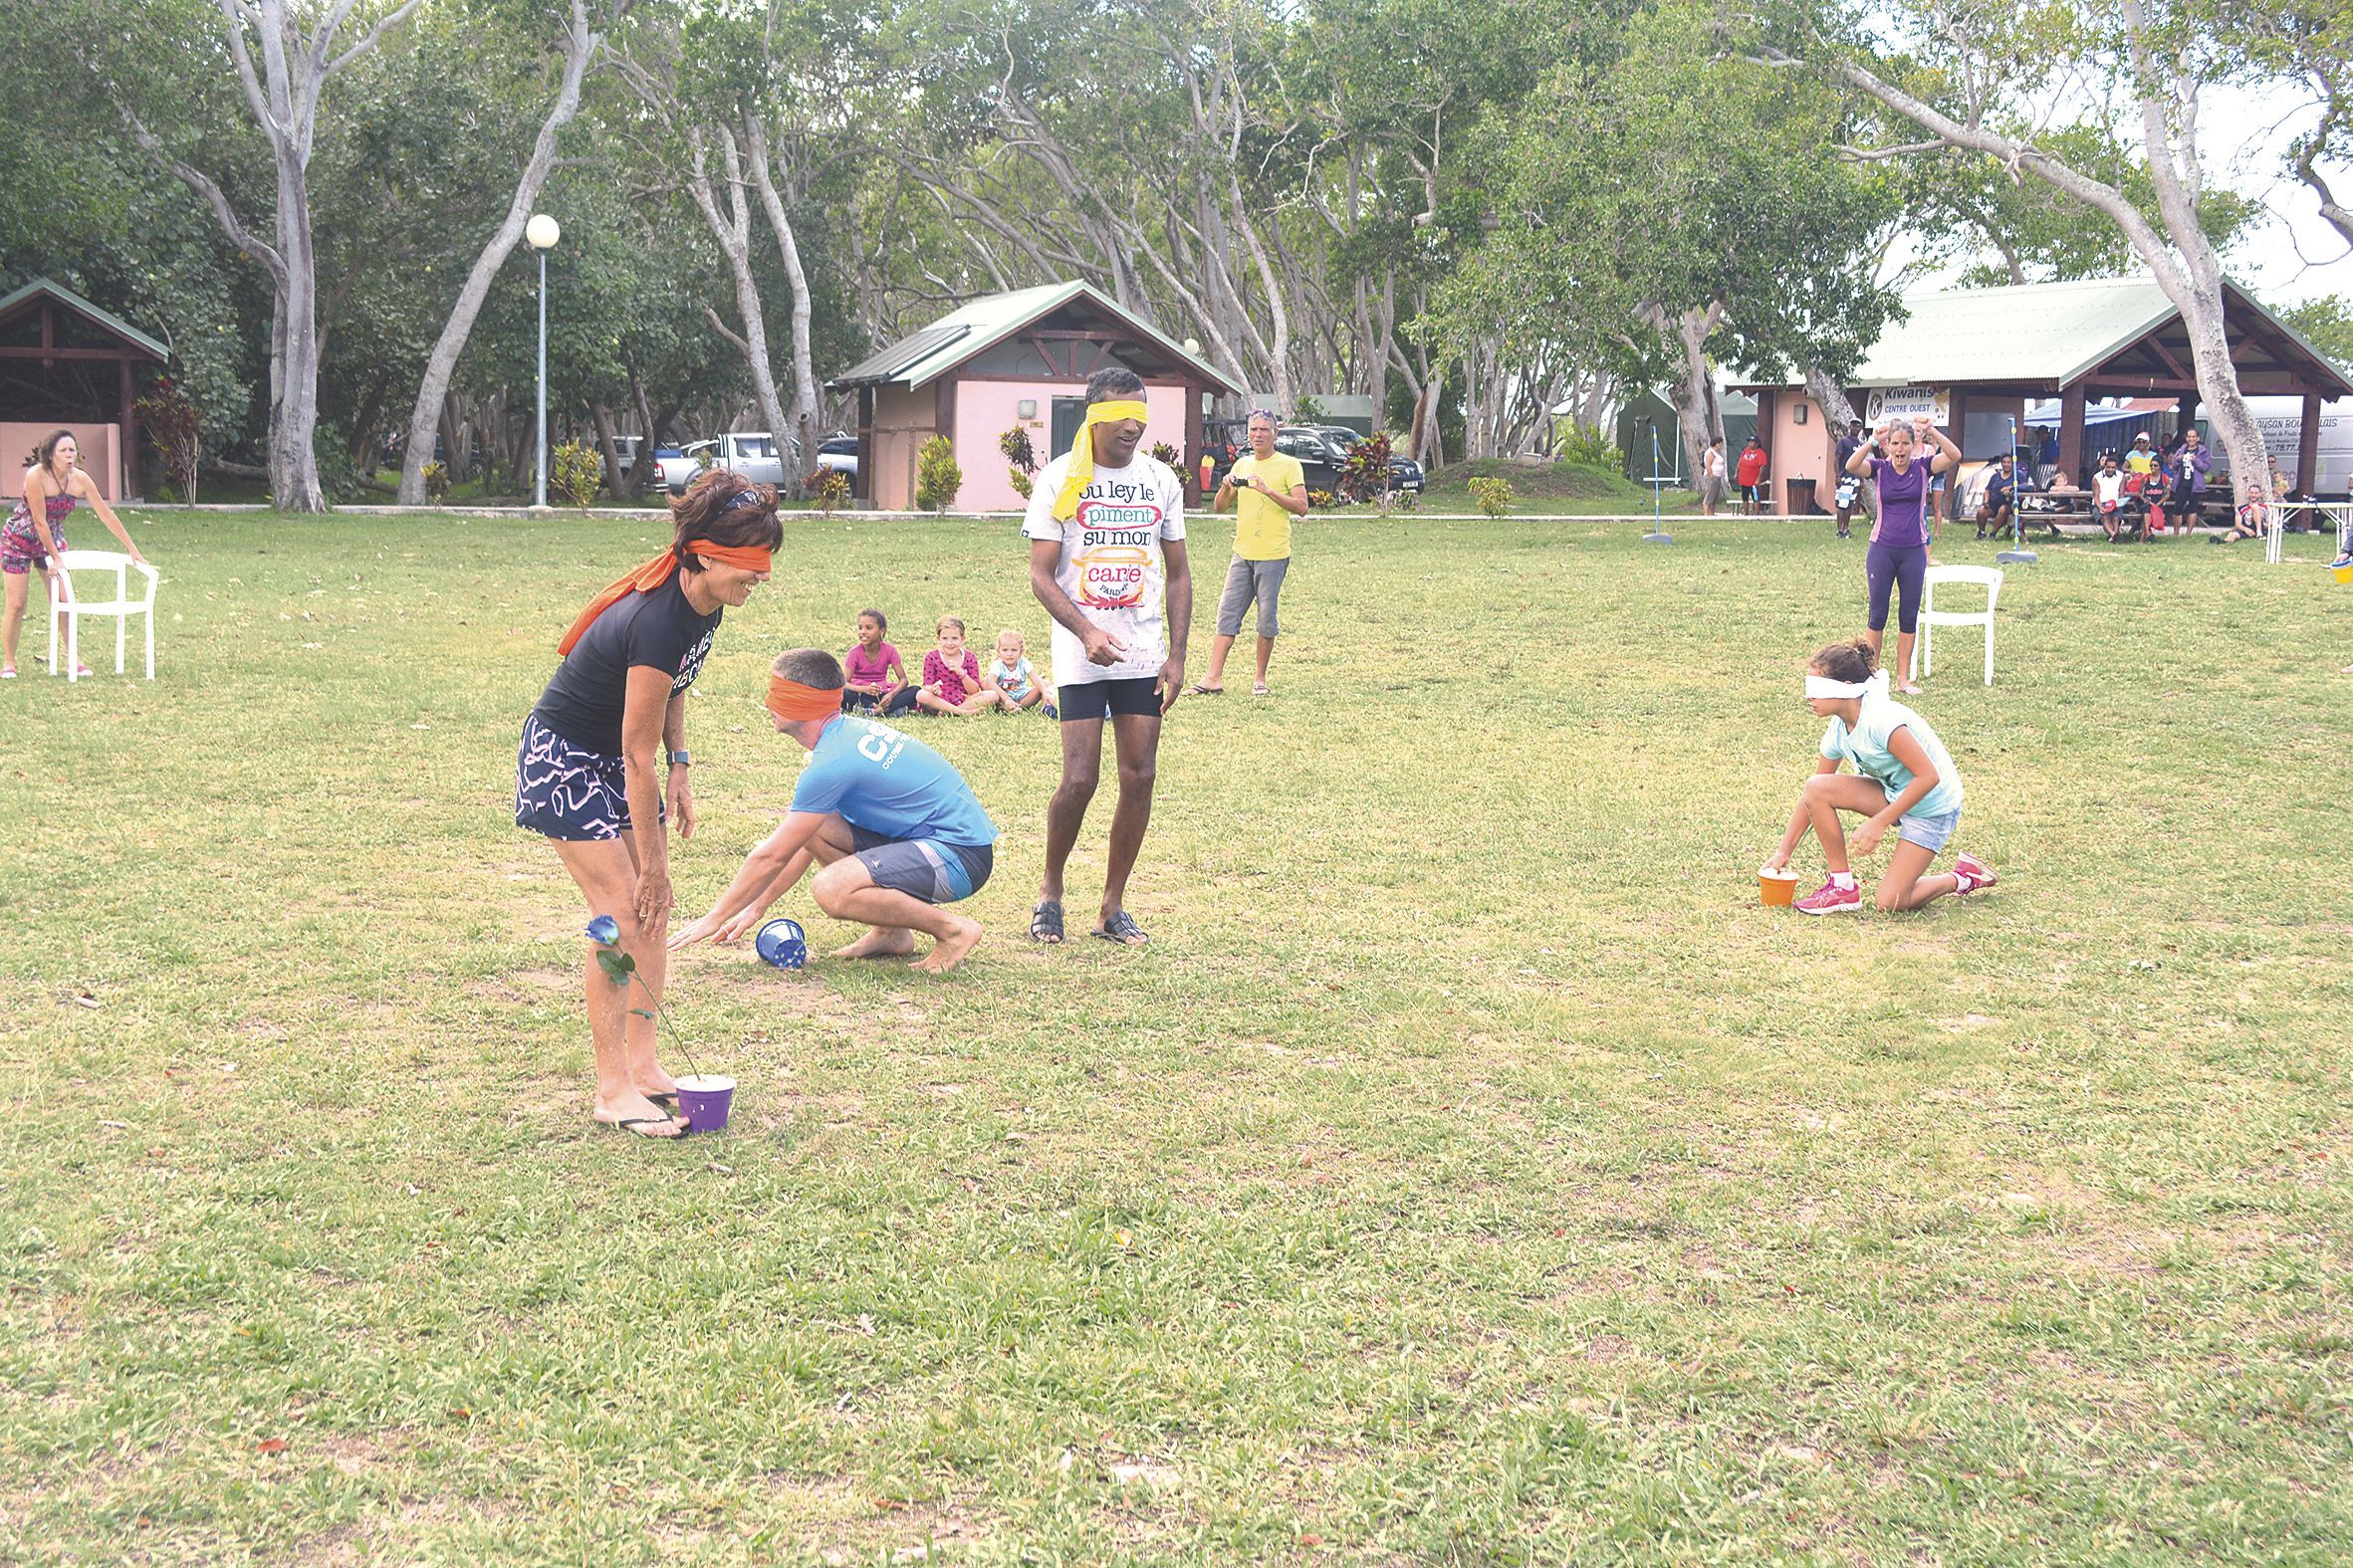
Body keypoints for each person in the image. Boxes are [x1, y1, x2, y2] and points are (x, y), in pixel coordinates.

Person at [514, 469, 779, 1139]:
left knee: (651, 916)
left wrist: (681, 762)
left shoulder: (705, 604)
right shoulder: (657, 620)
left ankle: (644, 1064)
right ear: (706, 556)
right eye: (752, 566)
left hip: (616, 756)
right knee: (620, 913)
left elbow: (674, 686)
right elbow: (634, 755)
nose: (764, 578)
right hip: (566, 761)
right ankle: (611, 1089)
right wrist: (653, 861)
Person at [669, 648, 996, 975]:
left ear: (807, 701)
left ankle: (953, 931)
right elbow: (800, 841)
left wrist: (713, 918)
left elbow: (771, 856)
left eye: (779, 694)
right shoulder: (841, 737)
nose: (769, 703)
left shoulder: (831, 762)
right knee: (818, 825)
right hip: (944, 844)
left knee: (832, 888)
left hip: (961, 857)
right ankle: (891, 933)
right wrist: (755, 909)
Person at [1023, 365, 1191, 947]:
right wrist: (1085, 630)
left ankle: (1112, 906)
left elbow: (1178, 572)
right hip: (1080, 652)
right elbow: (1041, 577)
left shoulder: (1160, 480)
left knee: (1139, 776)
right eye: (1119, 416)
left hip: (1143, 651)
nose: (1132, 427)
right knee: (1080, 778)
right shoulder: (1059, 481)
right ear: (1092, 418)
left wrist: (1177, 655)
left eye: (1139, 416)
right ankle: (1050, 890)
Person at [1765, 637, 1997, 917]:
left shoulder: (1881, 721)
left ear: (1847, 689)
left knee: (1891, 901)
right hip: (1894, 793)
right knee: (1817, 787)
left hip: (1932, 807)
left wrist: (1879, 823)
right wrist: (1783, 853)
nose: (1808, 696)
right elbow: (1811, 797)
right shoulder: (1838, 729)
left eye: (1816, 688)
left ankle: (1962, 877)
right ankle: (1842, 887)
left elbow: (1928, 777)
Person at [4, 430, 148, 679]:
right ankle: (8, 663)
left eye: (72, 450)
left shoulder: (80, 479)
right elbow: (39, 522)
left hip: (54, 539)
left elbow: (106, 514)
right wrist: (55, 558)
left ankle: (74, 660)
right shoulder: (35, 476)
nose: (70, 455)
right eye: (64, 450)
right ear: (50, 455)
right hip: (20, 539)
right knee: (17, 604)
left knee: (65, 601)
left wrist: (132, 548)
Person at [1192, 408, 1306, 697]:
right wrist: (1226, 487)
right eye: (1253, 430)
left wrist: (1267, 491)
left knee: (1266, 618)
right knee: (1227, 615)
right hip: (1242, 553)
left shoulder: (1289, 465)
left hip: (1273, 554)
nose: (1257, 435)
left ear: (1274, 433)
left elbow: (1302, 507)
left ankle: (1259, 679)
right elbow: (1220, 507)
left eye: (1264, 430)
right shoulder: (1241, 464)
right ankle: (1212, 678)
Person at [1844, 416, 1959, 696]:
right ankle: (1872, 676)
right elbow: (1850, 465)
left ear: (1914, 445)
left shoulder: (1923, 468)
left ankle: (1903, 679)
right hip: (1882, 550)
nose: (1900, 449)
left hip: (1913, 551)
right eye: (1894, 443)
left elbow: (1954, 455)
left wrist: (1931, 431)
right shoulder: (1879, 468)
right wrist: (1871, 440)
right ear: (1887, 446)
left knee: (1908, 615)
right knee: (1878, 615)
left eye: (1905, 443)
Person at [915, 615, 1008, 716]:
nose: (949, 643)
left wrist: (962, 674)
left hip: (964, 699)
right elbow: (927, 686)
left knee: (992, 695)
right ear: (938, 639)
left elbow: (974, 690)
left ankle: (948, 712)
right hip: (940, 700)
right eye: (945, 638)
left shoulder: (969, 657)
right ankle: (962, 712)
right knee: (921, 694)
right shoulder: (931, 657)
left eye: (954, 638)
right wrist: (933, 689)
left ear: (962, 638)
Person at [842, 608, 917, 716]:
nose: (863, 632)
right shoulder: (854, 653)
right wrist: (864, 689)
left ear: (881, 631)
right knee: (843, 693)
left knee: (915, 690)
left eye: (869, 628)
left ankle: (875, 710)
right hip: (861, 694)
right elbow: (843, 683)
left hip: (882, 693)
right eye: (860, 628)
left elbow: (904, 680)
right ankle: (883, 710)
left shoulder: (889, 650)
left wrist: (891, 695)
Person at [987, 627, 1055, 716]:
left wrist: (1045, 693)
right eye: (1005, 650)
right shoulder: (998, 665)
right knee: (985, 682)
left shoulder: (1023, 663)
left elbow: (1036, 680)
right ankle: (1008, 708)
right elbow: (991, 682)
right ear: (998, 651)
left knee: (1045, 684)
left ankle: (1046, 706)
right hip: (1004, 699)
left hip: (1023, 697)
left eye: (1014, 650)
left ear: (1021, 651)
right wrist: (1007, 699)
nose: (1009, 654)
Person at [2090, 454, 2134, 543]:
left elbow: (2121, 493)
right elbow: (2096, 496)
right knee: (2105, 517)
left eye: (2113, 467)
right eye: (2108, 467)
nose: (2110, 469)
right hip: (2101, 503)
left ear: (2116, 467)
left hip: (2115, 503)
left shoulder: (2121, 476)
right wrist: (2100, 507)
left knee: (2116, 518)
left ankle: (2113, 537)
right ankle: (2114, 535)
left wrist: (2118, 505)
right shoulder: (2096, 477)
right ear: (2104, 466)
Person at [1976, 454, 2017, 542]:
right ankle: (1981, 532)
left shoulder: (2017, 475)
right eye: (2004, 462)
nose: (2006, 464)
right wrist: (1986, 501)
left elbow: (2026, 486)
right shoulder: (1995, 476)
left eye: (2009, 462)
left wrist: (2011, 487)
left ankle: (1993, 533)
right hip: (1993, 503)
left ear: (2012, 464)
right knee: (1981, 511)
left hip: (2007, 505)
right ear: (2001, 464)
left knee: (2003, 510)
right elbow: (1987, 490)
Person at [1832, 426, 1864, 540]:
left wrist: (1861, 479)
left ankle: (1846, 528)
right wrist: (1837, 475)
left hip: (1855, 478)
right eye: (1853, 425)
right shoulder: (1843, 442)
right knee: (1842, 505)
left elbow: (1861, 463)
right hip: (1844, 477)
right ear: (1850, 427)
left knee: (1850, 505)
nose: (1855, 428)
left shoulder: (1861, 444)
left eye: (1858, 425)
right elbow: (1836, 458)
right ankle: (1839, 530)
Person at [1736, 435, 1769, 516]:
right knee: (1744, 496)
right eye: (1749, 442)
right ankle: (1745, 513)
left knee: (1755, 497)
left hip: (1753, 481)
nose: (1750, 444)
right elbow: (1740, 461)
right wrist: (1736, 472)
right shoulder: (1746, 450)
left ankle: (1757, 514)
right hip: (1744, 479)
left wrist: (1758, 479)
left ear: (1757, 444)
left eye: (1752, 442)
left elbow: (1763, 466)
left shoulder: (1761, 453)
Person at [1700, 436, 1727, 517]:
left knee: (1714, 495)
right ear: (1717, 443)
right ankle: (1706, 514)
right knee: (1710, 495)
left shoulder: (1716, 452)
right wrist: (1711, 475)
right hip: (1712, 476)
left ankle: (1712, 513)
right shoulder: (1710, 452)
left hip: (1718, 477)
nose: (1721, 445)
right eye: (1720, 443)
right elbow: (1707, 464)